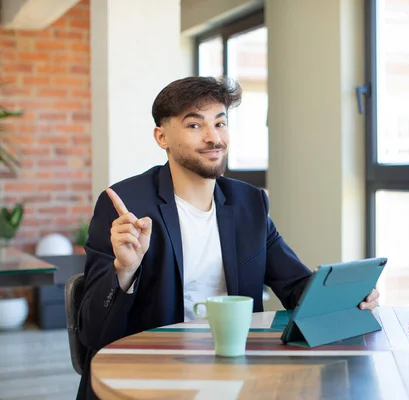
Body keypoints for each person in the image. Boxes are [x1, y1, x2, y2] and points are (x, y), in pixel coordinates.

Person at [76, 76, 380, 399]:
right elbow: (92, 333)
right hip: (149, 377)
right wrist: (124, 271)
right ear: (161, 136)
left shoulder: (249, 204)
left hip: (234, 373)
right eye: (195, 126)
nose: (213, 138)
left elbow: (295, 287)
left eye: (220, 124)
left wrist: (346, 296)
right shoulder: (126, 207)